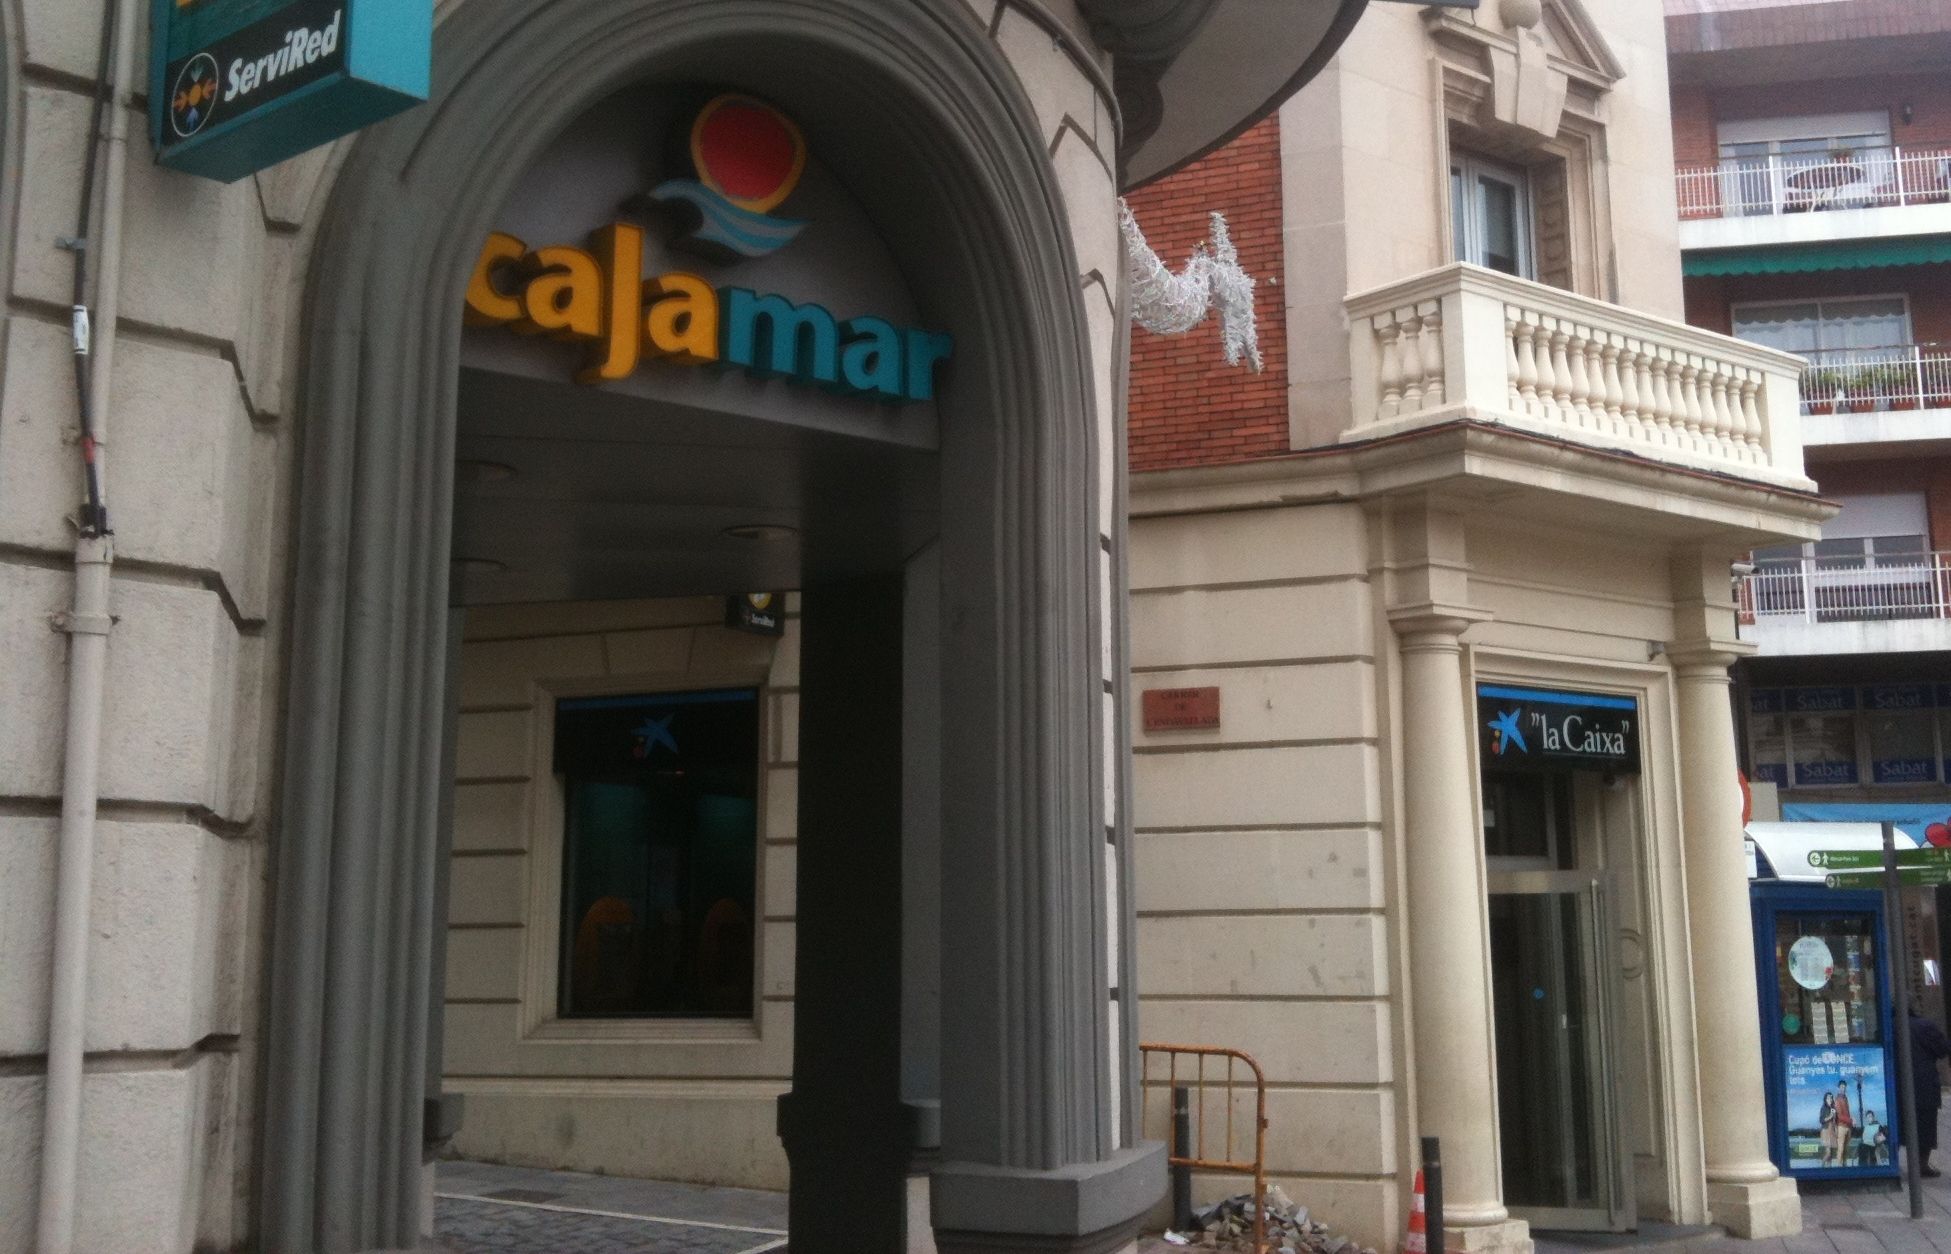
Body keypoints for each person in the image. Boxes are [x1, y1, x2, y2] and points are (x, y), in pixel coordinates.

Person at [1911, 1004, 1951, 1177]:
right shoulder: (1926, 1026)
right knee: (1926, 1126)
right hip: (1924, 1083)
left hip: (1897, 1083)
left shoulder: (1891, 1025)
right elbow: (1943, 1050)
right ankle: (1922, 1164)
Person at [1835, 1080, 1856, 1166]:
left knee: (1846, 1149)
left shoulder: (1845, 1098)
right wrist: (1851, 1120)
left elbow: (1847, 1113)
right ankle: (1839, 1167)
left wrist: (1851, 1122)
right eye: (1841, 1087)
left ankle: (1845, 1166)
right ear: (1838, 1088)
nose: (1843, 1088)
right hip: (1841, 1126)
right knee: (1840, 1148)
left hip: (1848, 1126)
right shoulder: (1837, 1100)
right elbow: (1839, 1116)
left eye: (1844, 1087)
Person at [1819, 1092, 1838, 1166]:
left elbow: (1835, 1121)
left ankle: (1829, 1167)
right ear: (1825, 1099)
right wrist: (1830, 1116)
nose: (1830, 1099)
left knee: (1831, 1154)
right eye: (1828, 1098)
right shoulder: (1823, 1108)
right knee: (1828, 1153)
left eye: (1831, 1097)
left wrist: (1834, 1116)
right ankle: (1822, 1166)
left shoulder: (1833, 1108)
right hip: (1826, 1131)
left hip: (1832, 1130)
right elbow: (1821, 1120)